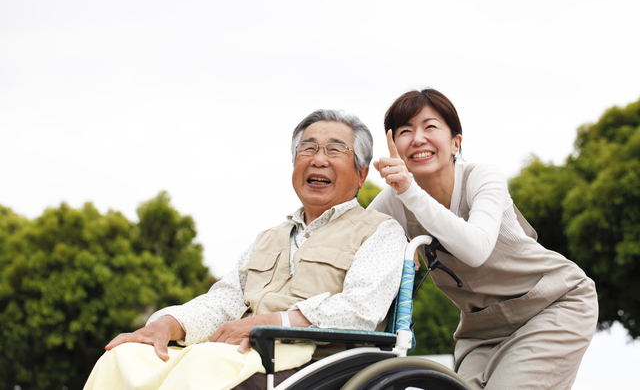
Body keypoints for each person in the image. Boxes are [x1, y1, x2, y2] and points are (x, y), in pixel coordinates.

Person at [84, 109, 407, 390]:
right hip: (240, 351)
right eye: (307, 149)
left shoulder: (380, 231)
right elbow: (223, 302)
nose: (318, 159)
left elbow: (359, 312)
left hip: (314, 362)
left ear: (362, 173)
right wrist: (164, 325)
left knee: (204, 363)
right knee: (125, 357)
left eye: (335, 150)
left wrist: (269, 322)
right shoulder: (268, 238)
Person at [369, 88, 598, 390]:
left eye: (430, 126)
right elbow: (354, 244)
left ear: (456, 143)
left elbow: (475, 250)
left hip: (552, 303)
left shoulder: (483, 177)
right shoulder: (391, 201)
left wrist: (410, 192)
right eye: (405, 130)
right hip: (480, 331)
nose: (418, 138)